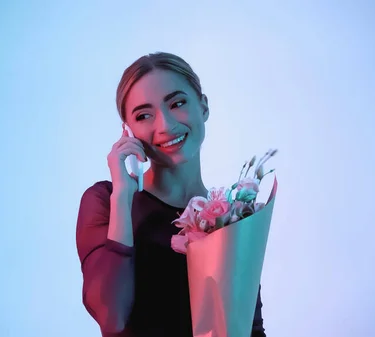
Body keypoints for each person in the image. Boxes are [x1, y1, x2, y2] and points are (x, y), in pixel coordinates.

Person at [75, 52, 267, 337]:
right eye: (144, 115)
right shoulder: (106, 201)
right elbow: (111, 317)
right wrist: (123, 198)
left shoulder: (232, 217)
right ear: (127, 131)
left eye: (177, 104)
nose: (165, 125)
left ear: (203, 106)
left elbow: (251, 329)